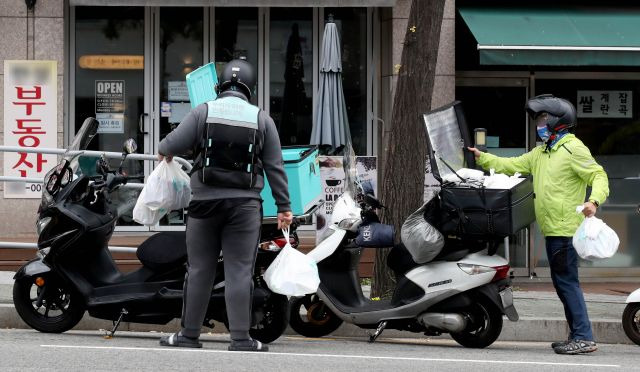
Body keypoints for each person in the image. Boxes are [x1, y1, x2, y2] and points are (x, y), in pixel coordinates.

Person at [157, 59, 293, 352]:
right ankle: (241, 339)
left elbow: (168, 145)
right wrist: (284, 206)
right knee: (240, 271)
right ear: (250, 88)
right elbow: (275, 167)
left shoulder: (203, 111)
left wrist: (168, 155)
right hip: (244, 208)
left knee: (199, 270)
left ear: (220, 85)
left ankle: (189, 336)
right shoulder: (261, 119)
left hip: (204, 206)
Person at [468, 94, 609, 355]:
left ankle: (584, 337)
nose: (539, 124)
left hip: (566, 230)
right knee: (564, 283)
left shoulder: (572, 148)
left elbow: (598, 174)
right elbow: (512, 165)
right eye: (538, 120)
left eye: (542, 118)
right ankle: (577, 334)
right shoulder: (543, 152)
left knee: (567, 284)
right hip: (553, 229)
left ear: (557, 121)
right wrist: (483, 158)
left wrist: (594, 201)